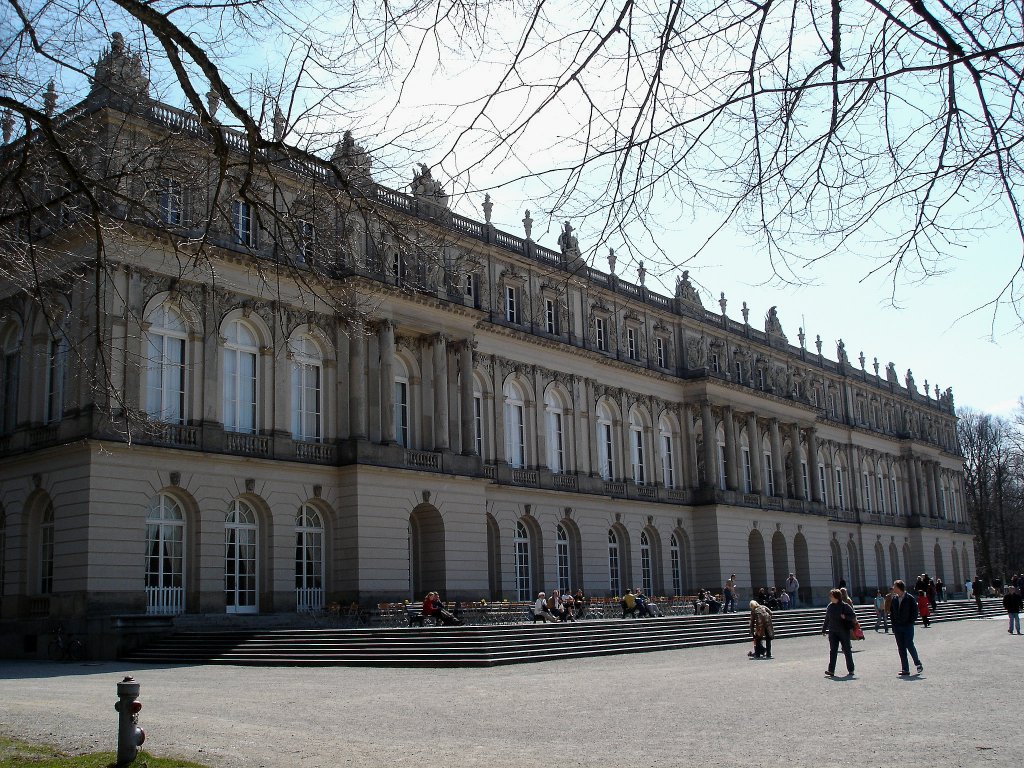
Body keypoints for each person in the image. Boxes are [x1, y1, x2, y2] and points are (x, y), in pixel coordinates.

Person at [889, 579, 924, 676]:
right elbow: (892, 613)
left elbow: (915, 612)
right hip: (897, 626)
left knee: (909, 644)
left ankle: (918, 663)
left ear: (899, 587)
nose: (893, 588)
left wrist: (910, 622)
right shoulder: (894, 599)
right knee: (901, 648)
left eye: (895, 586)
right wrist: (893, 624)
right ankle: (905, 669)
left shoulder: (910, 598)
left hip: (907, 626)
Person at [821, 588, 856, 677]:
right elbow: (827, 618)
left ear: (836, 597)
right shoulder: (830, 606)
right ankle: (831, 670)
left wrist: (845, 617)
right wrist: (824, 629)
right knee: (833, 651)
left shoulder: (845, 606)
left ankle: (851, 669)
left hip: (843, 631)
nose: (830, 597)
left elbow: (853, 615)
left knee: (847, 650)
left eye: (831, 595)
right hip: (833, 632)